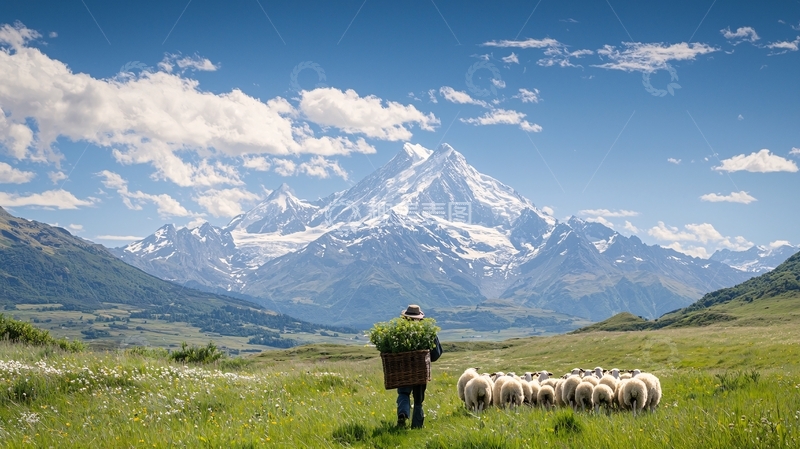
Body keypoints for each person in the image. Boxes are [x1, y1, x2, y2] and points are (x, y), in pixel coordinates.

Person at [396, 304, 443, 429]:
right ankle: (417, 426)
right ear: (420, 318)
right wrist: (427, 358)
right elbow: (437, 353)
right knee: (418, 400)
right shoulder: (428, 332)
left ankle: (403, 413)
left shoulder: (399, 332)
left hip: (404, 368)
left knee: (403, 393)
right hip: (420, 369)